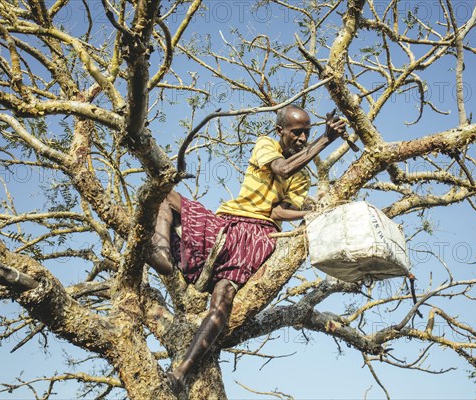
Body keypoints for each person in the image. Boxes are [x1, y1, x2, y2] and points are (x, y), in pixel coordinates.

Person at [147, 105, 347, 394]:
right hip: (227, 222)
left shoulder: (302, 178)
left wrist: (309, 214)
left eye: (307, 132)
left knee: (223, 302)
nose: (303, 138)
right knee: (165, 194)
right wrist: (325, 140)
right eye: (297, 132)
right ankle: (162, 255)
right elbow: (282, 167)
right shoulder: (266, 145)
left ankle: (179, 373)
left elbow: (277, 212)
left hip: (258, 235)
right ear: (280, 132)